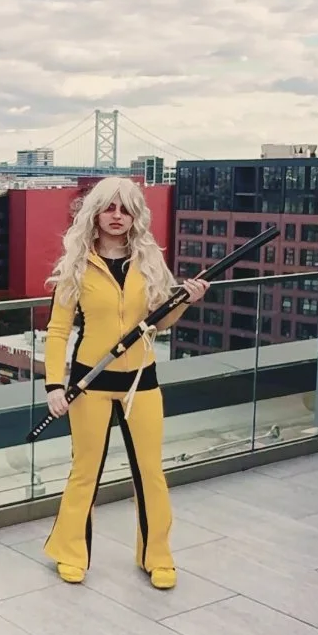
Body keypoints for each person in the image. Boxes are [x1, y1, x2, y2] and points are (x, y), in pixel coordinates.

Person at [41, 176, 207, 588]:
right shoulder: (77, 265)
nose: (117, 216)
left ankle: (158, 556)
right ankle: (70, 552)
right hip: (90, 384)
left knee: (150, 472)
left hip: (141, 383)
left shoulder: (148, 261)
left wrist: (186, 301)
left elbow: (159, 322)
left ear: (136, 216)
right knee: (85, 472)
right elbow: (58, 331)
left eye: (126, 209)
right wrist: (54, 385)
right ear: (95, 213)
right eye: (109, 207)